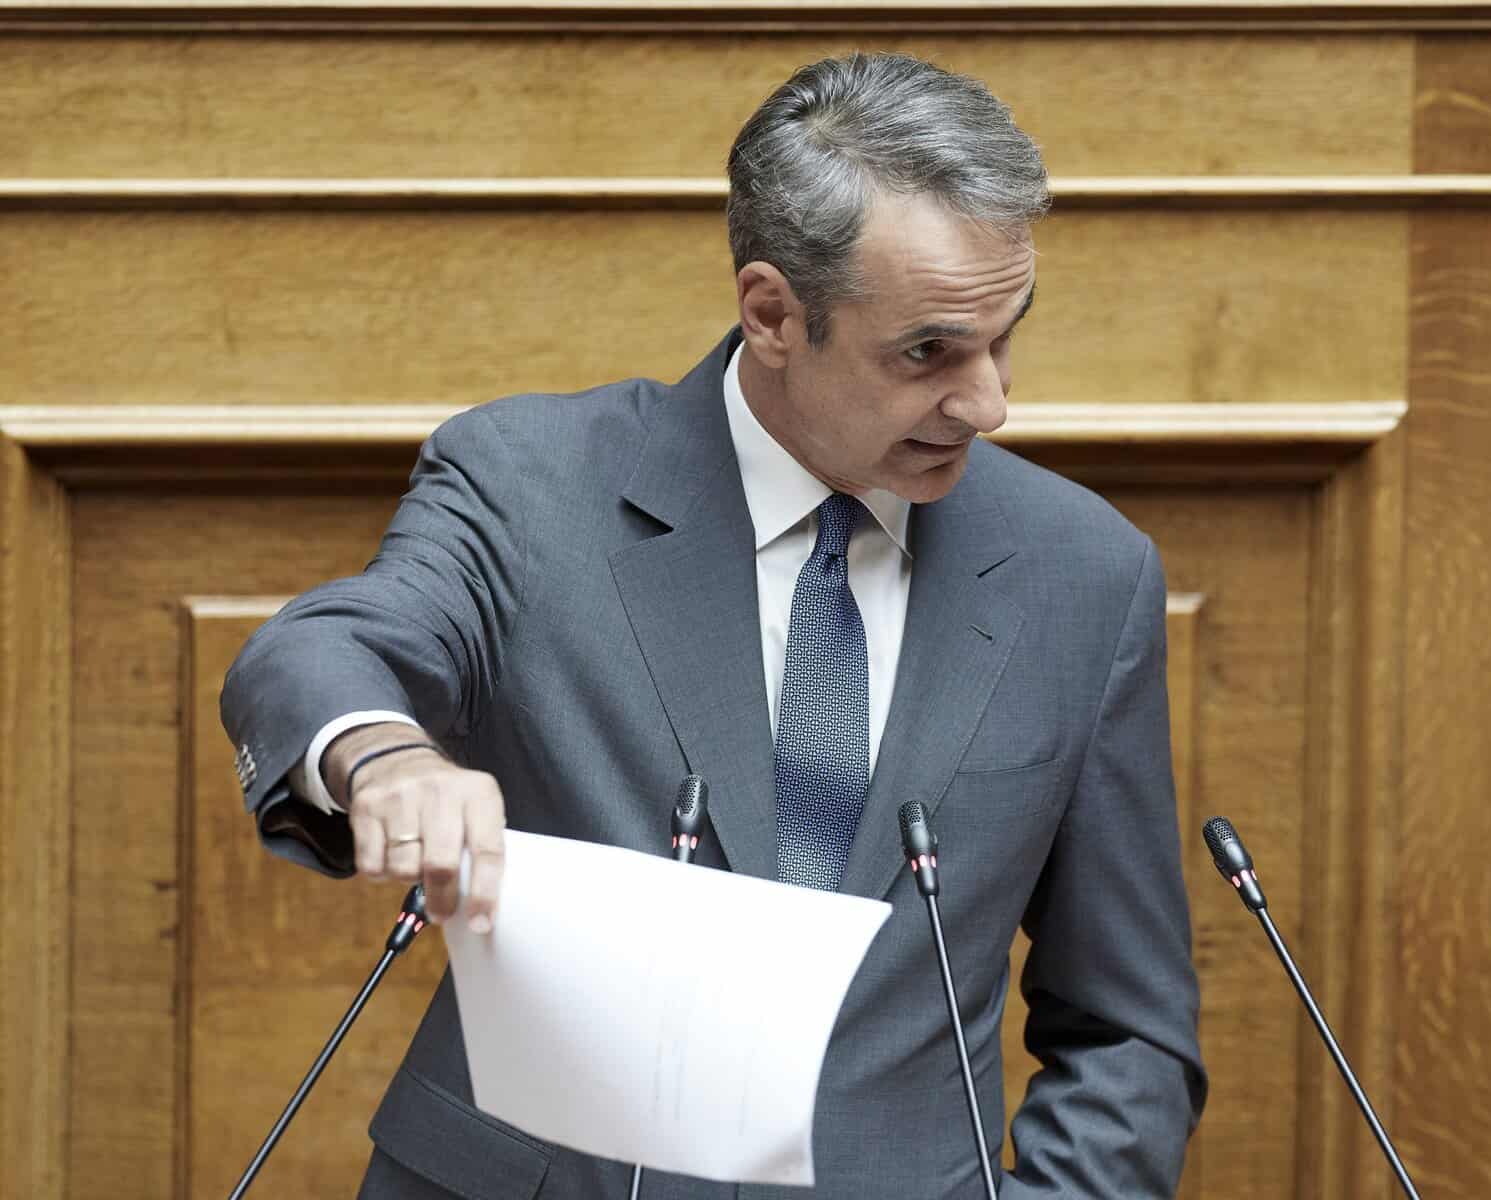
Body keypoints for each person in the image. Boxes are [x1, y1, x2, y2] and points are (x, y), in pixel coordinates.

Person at [222, 52, 1205, 1199]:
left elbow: (1125, 1030)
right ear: (773, 313)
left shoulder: (1082, 573)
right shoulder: (531, 486)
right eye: (926, 353)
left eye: (1002, 339)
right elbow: (322, 649)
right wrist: (386, 759)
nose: (986, 404)